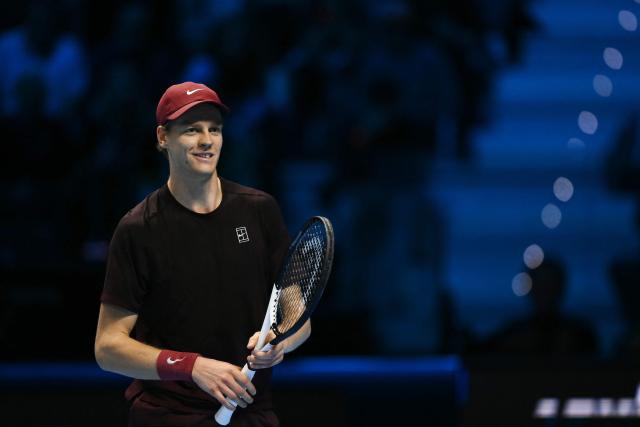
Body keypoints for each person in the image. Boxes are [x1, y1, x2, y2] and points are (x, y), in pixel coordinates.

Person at [94, 82, 311, 427]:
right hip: (166, 416)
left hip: (251, 413)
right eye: (192, 130)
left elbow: (298, 316)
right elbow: (107, 348)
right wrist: (191, 366)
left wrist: (280, 341)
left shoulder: (260, 210)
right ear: (163, 137)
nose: (207, 140)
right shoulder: (138, 229)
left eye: (214, 129)